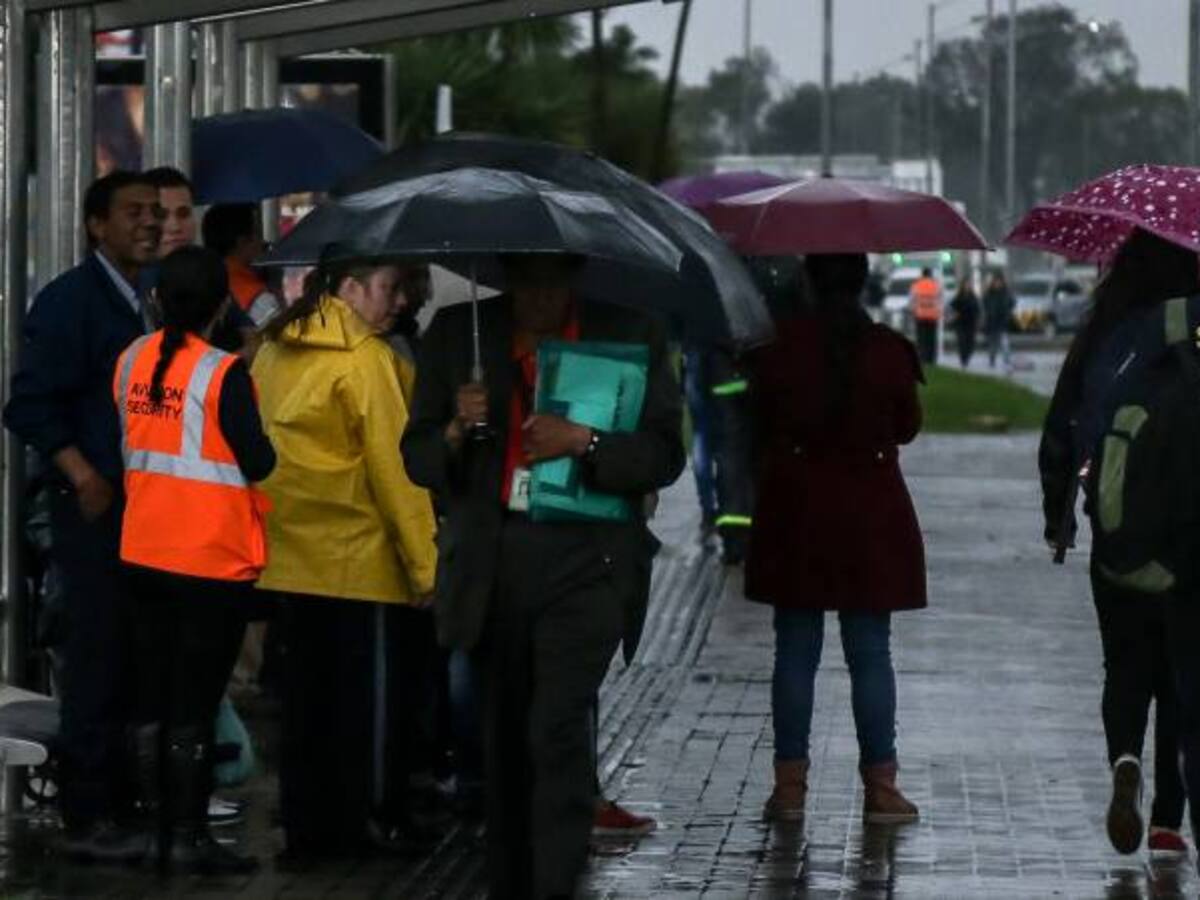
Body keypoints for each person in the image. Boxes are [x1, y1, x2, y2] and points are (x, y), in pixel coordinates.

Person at [402, 253, 685, 899]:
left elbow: (664, 453)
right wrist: (456, 428)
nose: (539, 299)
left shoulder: (630, 333)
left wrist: (585, 442)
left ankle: (555, 880)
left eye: (552, 283)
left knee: (556, 726)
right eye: (526, 284)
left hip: (588, 562)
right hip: (495, 562)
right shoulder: (460, 335)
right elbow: (417, 457)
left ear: (574, 277)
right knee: (502, 737)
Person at [251, 255, 438, 859]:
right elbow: (396, 473)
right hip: (360, 562)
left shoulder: (275, 348)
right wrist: (426, 567)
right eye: (390, 288)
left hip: (289, 559)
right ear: (350, 288)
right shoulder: (366, 360)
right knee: (366, 707)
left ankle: (306, 831)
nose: (400, 302)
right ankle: (365, 822)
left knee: (304, 706)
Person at [3, 171, 160, 862]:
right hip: (93, 509)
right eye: (134, 212)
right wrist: (82, 474)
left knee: (129, 656)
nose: (150, 223)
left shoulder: (145, 300)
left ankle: (120, 803)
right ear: (97, 225)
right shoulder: (72, 301)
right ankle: (88, 815)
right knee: (95, 657)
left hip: (142, 511)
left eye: (155, 213)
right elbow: (29, 404)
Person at [748, 253, 925, 825]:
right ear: (863, 281)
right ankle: (881, 787)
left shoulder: (779, 349)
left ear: (808, 280)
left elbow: (755, 419)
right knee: (870, 651)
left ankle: (789, 789)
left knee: (794, 651)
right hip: (870, 518)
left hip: (796, 513)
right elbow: (907, 426)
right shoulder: (887, 351)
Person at [1040, 229, 1200, 860]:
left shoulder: (1106, 332)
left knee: (1126, 666)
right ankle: (1166, 821)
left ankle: (1124, 760)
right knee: (1182, 677)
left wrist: (1058, 515)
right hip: (1188, 540)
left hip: (1117, 529)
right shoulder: (1192, 330)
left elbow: (1062, 426)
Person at [115, 246, 274, 874]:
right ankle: (188, 837)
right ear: (222, 306)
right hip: (210, 561)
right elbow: (259, 461)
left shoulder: (131, 359)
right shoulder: (222, 373)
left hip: (142, 550)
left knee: (152, 699)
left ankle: (153, 833)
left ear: (157, 300)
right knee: (194, 705)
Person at [202, 203, 283, 328]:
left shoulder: (199, 285)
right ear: (242, 242)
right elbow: (281, 334)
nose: (263, 242)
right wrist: (277, 290)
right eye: (258, 233)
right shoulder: (260, 299)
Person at [982, 271, 1015, 372]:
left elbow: (1012, 303)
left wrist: (1008, 313)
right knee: (993, 345)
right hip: (992, 323)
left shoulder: (1006, 293)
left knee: (1005, 343)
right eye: (996, 282)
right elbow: (985, 305)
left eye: (999, 282)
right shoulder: (989, 294)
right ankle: (992, 360)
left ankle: (1007, 362)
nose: (998, 284)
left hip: (1002, 323)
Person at [909, 266, 942, 365]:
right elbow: (940, 301)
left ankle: (922, 358)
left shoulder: (916, 285)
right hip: (933, 316)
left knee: (921, 339)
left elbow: (912, 300)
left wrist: (913, 311)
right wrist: (939, 312)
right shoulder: (936, 285)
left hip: (920, 316)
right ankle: (931, 359)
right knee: (932, 339)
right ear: (931, 275)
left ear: (922, 275)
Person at [948, 278, 981, 369]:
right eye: (965, 285)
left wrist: (978, 320)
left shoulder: (974, 298)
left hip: (971, 323)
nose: (967, 286)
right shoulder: (958, 297)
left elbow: (977, 310)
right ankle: (963, 359)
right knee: (962, 341)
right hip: (960, 323)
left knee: (970, 343)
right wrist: (953, 315)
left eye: (968, 285)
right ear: (962, 286)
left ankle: (967, 357)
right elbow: (951, 308)